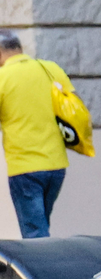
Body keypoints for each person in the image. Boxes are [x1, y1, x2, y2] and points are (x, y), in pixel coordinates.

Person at [0, 31, 80, 238]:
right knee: (41, 227)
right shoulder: (50, 69)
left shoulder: (3, 78)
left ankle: (46, 270)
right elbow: (73, 105)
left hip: (25, 168)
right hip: (56, 167)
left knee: (35, 235)